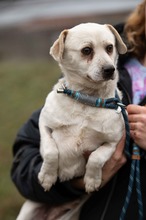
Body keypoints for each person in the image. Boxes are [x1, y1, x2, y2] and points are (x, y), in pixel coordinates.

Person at [11, 0, 146, 219]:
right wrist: (73, 182)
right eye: (86, 52)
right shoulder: (76, 83)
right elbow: (23, 165)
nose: (107, 63)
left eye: (109, 50)